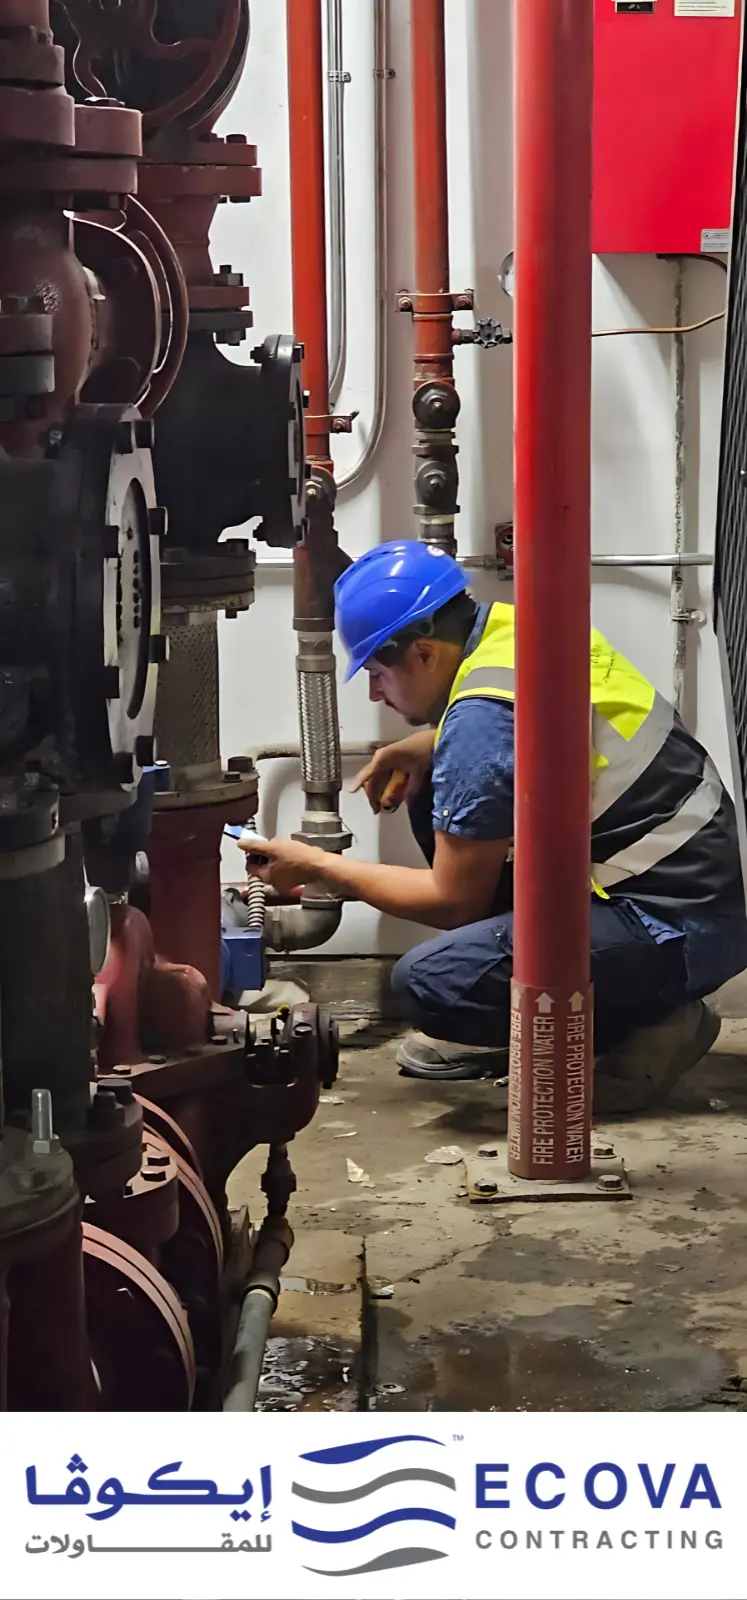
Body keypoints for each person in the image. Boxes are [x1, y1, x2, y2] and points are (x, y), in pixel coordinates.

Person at [241, 541, 747, 1113]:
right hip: (696, 893)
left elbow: (451, 901)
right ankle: (551, 1012)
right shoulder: (508, 631)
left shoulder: (480, 725)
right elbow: (540, 722)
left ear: (426, 653)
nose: (374, 691)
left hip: (672, 928)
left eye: (379, 672)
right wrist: (428, 745)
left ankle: (648, 1024)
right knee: (432, 791)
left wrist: (319, 866)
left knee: (429, 983)